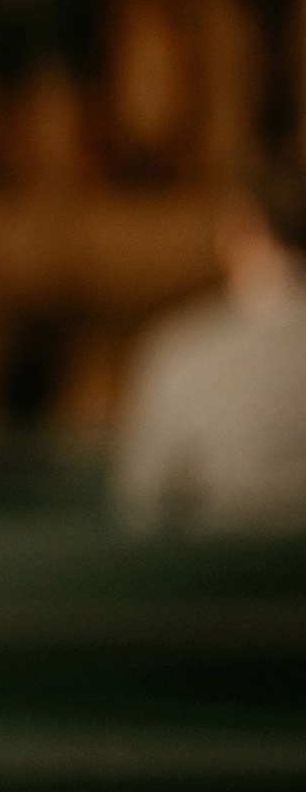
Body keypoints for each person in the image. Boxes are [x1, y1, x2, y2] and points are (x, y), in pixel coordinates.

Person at [113, 167, 306, 528]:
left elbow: (141, 500)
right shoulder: (181, 349)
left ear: (237, 229)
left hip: (222, 578)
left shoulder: (182, 353)